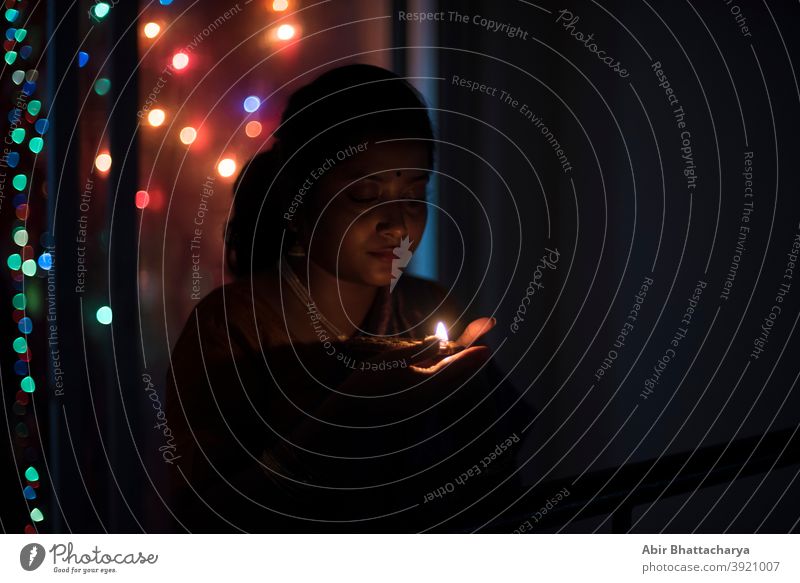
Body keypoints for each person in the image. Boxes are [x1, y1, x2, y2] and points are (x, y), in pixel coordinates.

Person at [166, 64, 531, 533]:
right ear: (298, 202)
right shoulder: (233, 327)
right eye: (364, 195)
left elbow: (497, 491)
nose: (396, 224)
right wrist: (344, 419)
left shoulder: (425, 306)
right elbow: (202, 517)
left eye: (414, 195)